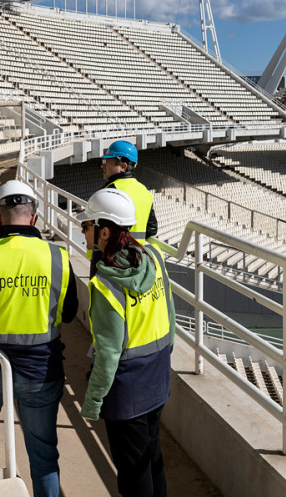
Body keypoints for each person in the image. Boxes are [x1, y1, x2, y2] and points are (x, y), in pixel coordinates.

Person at [0, 180, 78, 497]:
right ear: (33, 217)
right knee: (43, 454)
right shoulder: (57, 257)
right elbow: (70, 313)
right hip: (41, 371)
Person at [80, 188, 175, 497]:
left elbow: (108, 354)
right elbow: (170, 317)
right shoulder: (154, 256)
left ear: (104, 232)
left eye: (87, 226)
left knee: (133, 474)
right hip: (157, 377)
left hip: (127, 391)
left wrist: (93, 401)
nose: (83, 231)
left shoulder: (106, 283)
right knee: (152, 458)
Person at [99, 140, 157, 243]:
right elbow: (151, 230)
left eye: (107, 162)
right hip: (137, 254)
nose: (102, 166)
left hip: (113, 255)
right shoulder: (144, 191)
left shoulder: (110, 191)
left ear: (123, 166)